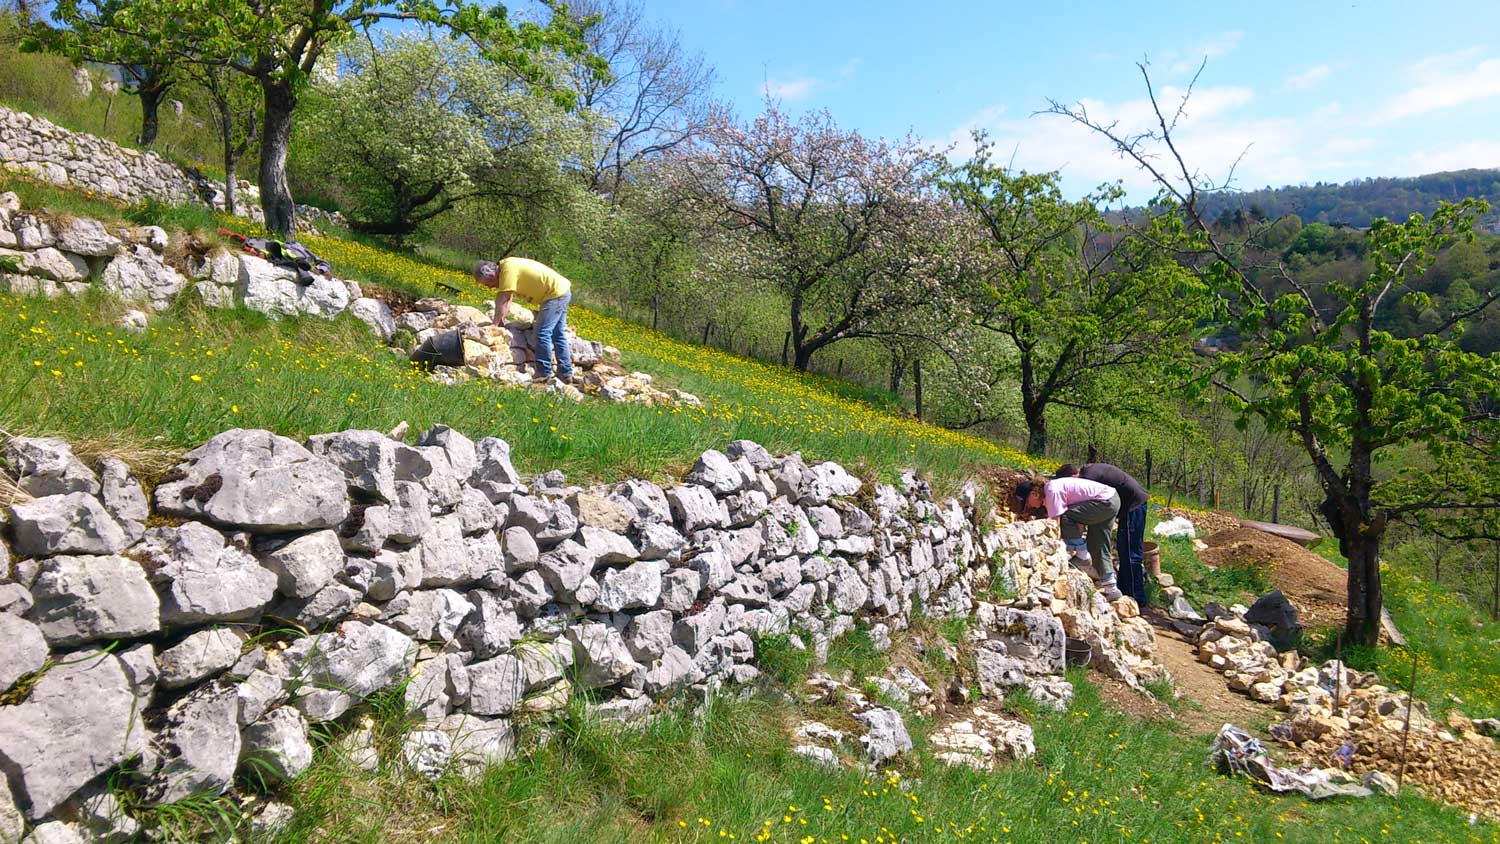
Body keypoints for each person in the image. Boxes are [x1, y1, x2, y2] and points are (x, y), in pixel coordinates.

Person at [1014, 474, 1123, 601]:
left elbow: (1056, 524)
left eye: (1027, 503)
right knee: (1098, 543)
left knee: (1065, 515)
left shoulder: (1051, 491)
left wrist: (1055, 549)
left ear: (1034, 494)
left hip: (1105, 501)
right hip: (1111, 499)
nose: (1029, 506)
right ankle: (1112, 589)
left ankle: (1082, 556)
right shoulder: (1052, 489)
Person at [1058, 463, 1150, 606]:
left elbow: (1085, 511)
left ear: (1073, 476)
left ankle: (1136, 597)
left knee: (1130, 551)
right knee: (1123, 549)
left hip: (1134, 505)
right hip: (1127, 505)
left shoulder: (1089, 476)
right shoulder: (1089, 472)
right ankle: (1123, 590)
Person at [473, 257, 574, 383]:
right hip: (560, 291)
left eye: (488, 284)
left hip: (555, 294)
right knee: (558, 335)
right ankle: (565, 374)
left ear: (492, 275)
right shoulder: (506, 268)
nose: (490, 288)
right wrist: (500, 320)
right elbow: (505, 298)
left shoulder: (508, 269)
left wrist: (495, 324)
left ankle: (544, 373)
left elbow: (504, 298)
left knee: (542, 333)